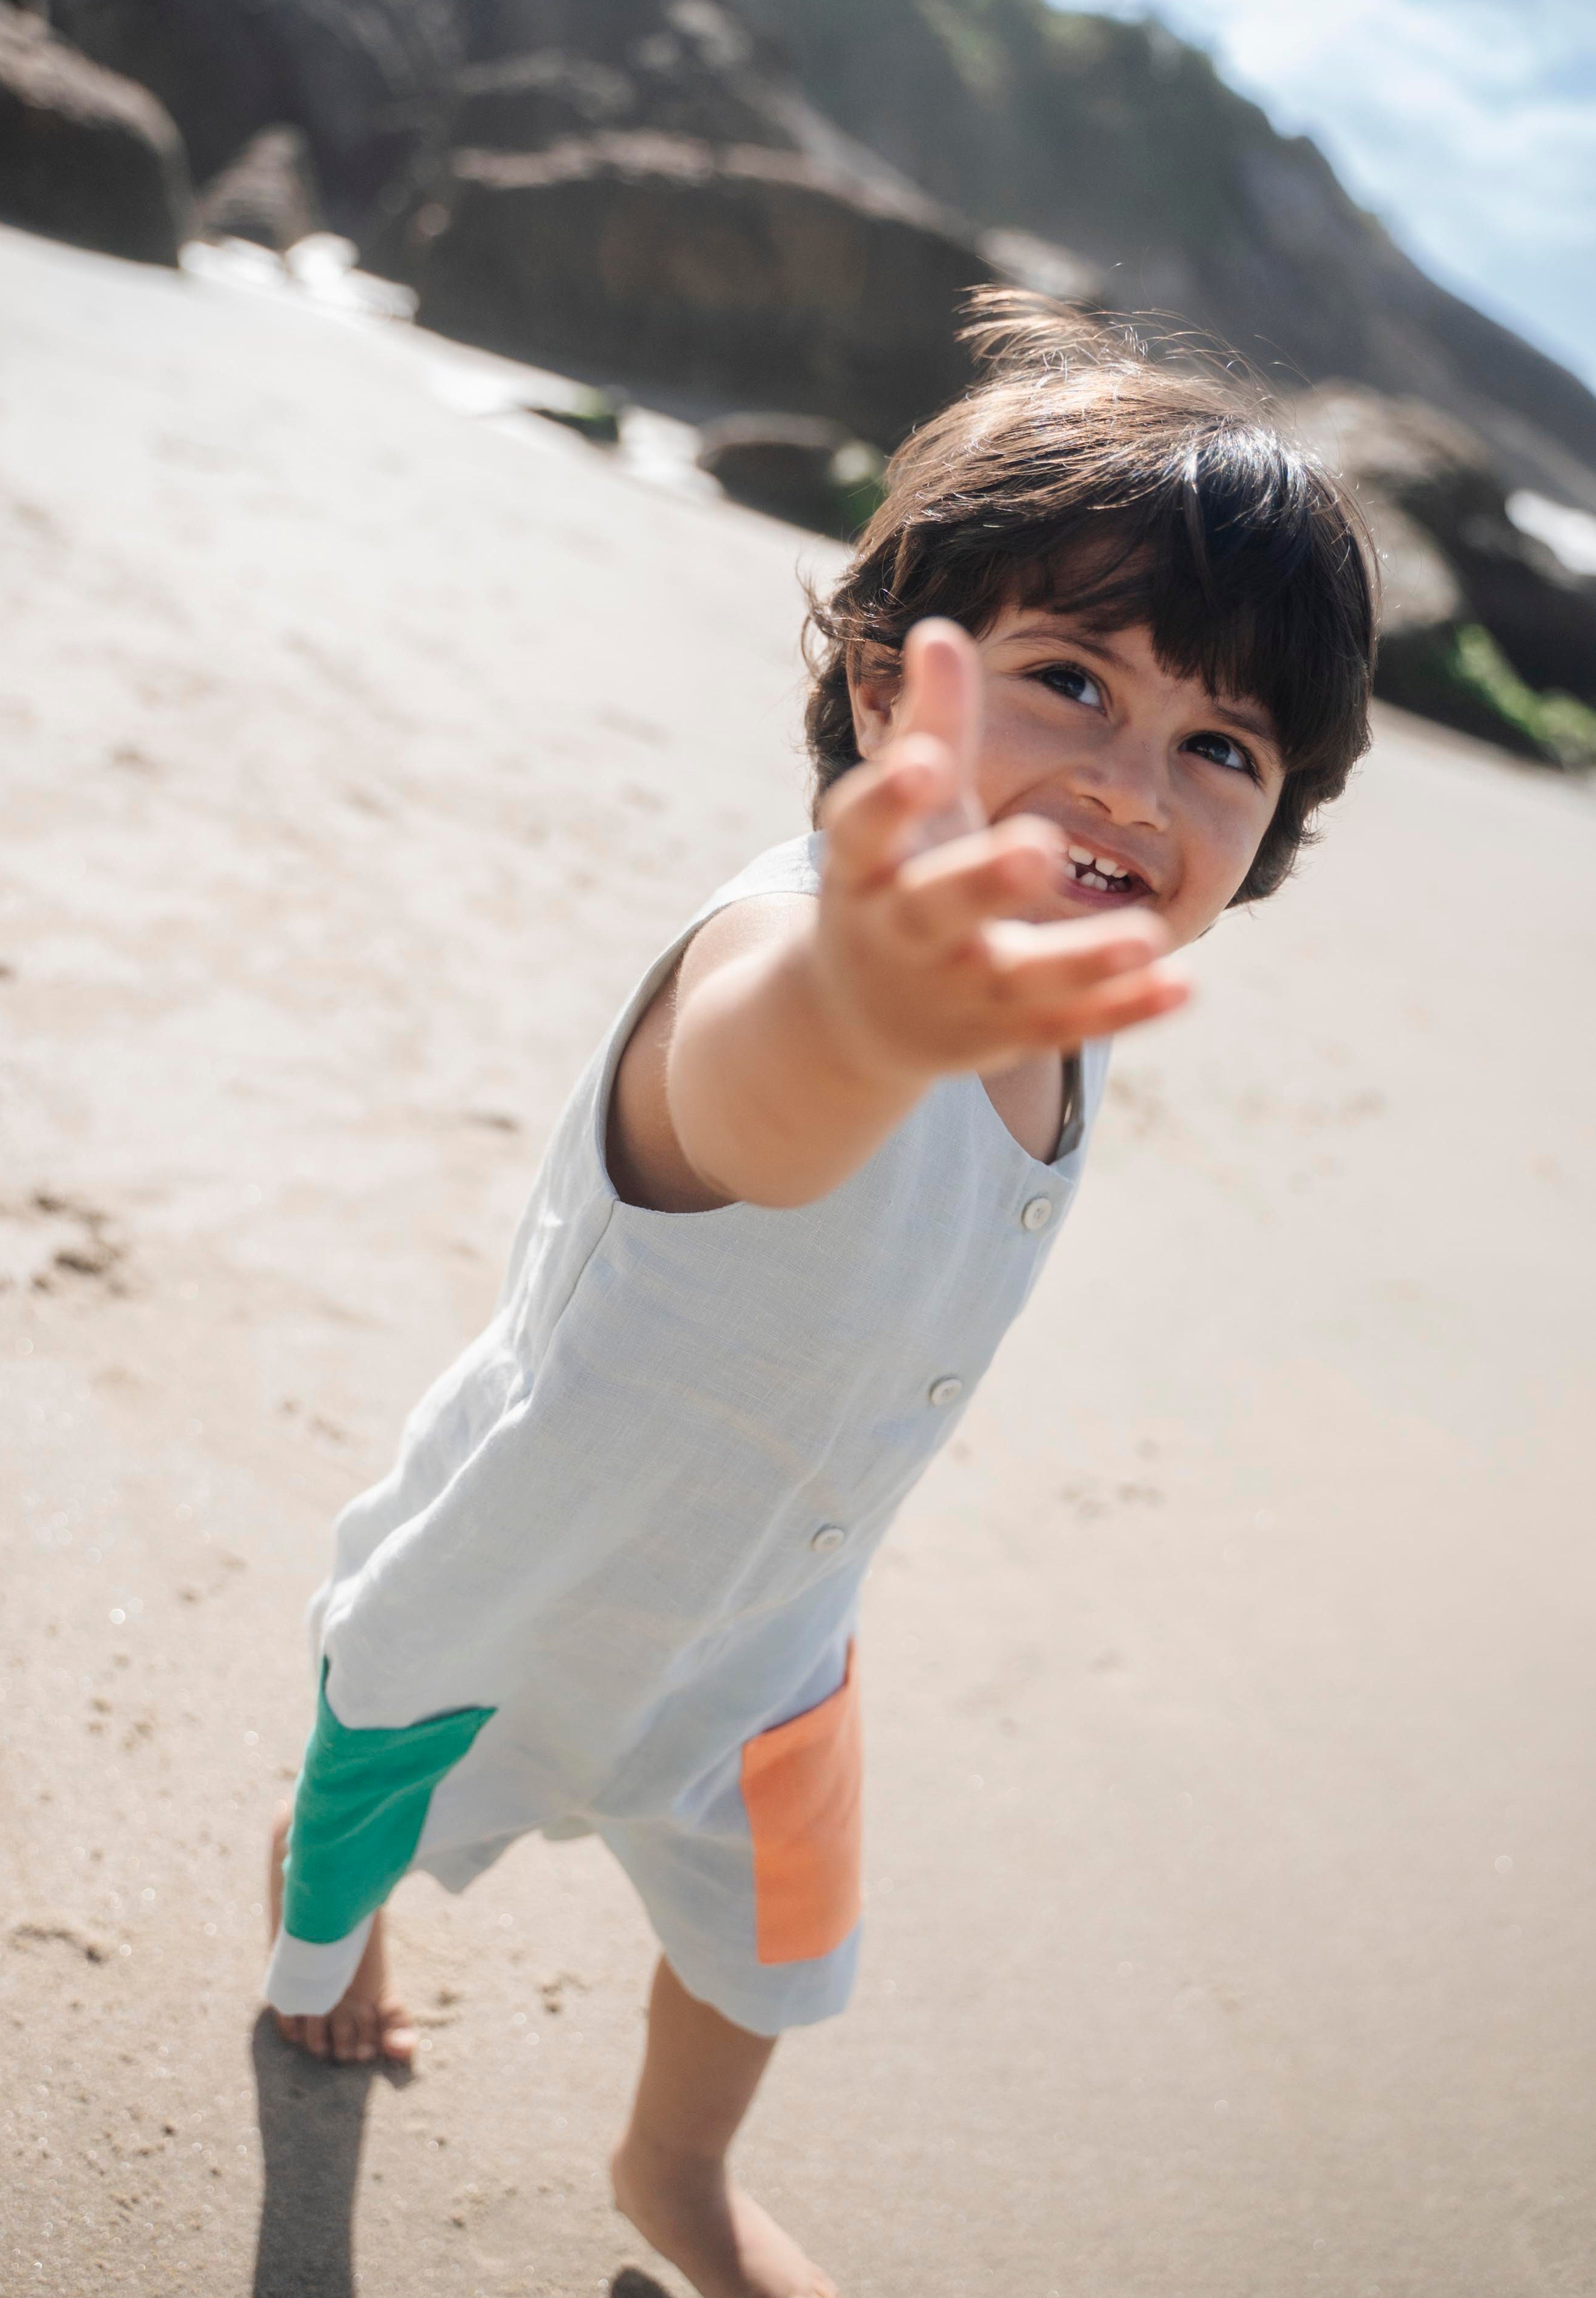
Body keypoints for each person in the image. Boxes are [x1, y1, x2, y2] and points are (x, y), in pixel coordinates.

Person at [261, 294, 1376, 2298]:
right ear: (885, 689)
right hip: (525, 1578)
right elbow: (762, 1115)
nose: (1132, 780)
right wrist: (865, 1013)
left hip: (771, 1636)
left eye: (1216, 744)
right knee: (361, 1819)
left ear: (1265, 827)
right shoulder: (792, 957)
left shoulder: (1061, 1012)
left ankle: (668, 2177)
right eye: (1067, 682)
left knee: (770, 1953)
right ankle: (324, 1955)